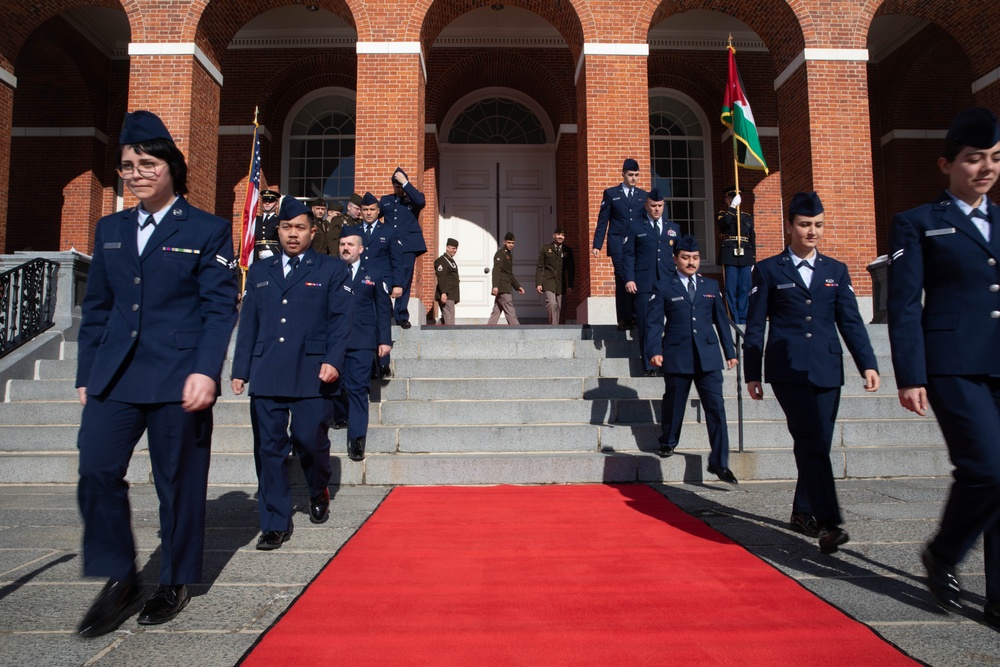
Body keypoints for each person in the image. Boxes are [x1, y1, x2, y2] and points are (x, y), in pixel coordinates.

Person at [74, 110, 239, 637]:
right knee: (97, 471)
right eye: (127, 166)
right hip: (115, 375)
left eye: (147, 162)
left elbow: (219, 309)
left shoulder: (208, 229)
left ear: (170, 166)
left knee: (179, 482)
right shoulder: (111, 228)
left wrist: (206, 370)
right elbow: (97, 306)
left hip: (178, 376)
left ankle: (175, 578)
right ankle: (120, 574)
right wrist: (85, 372)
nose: (136, 173)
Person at [886, 106, 1000, 626]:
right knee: (985, 469)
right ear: (946, 163)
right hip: (953, 363)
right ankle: (943, 553)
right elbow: (906, 304)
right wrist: (910, 374)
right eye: (974, 159)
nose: (985, 168)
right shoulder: (918, 223)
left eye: (994, 158)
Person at [743, 191, 879, 554]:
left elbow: (850, 321)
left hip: (827, 367)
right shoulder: (769, 269)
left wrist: (867, 362)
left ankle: (803, 511)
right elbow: (755, 324)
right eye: (805, 225)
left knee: (819, 442)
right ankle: (828, 522)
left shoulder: (836, 270)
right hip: (787, 368)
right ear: (789, 226)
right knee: (810, 438)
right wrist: (751, 373)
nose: (812, 232)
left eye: (818, 225)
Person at [230, 196, 352, 550]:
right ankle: (274, 521)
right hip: (267, 370)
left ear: (312, 232)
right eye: (286, 228)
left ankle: (318, 488)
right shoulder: (261, 271)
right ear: (277, 230)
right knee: (268, 449)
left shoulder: (331, 269)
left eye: (299, 227)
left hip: (312, 372)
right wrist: (240, 369)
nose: (292, 234)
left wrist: (333, 360)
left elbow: (340, 321)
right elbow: (249, 321)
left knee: (310, 442)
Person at [645, 235, 738, 483]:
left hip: (708, 357)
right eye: (686, 258)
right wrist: (654, 350)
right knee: (674, 403)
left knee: (716, 408)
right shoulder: (664, 286)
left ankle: (719, 461)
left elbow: (722, 321)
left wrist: (730, 352)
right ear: (675, 259)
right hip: (677, 355)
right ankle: (668, 441)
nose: (691, 262)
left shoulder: (710, 287)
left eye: (695, 258)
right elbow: (654, 323)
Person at [337, 229, 393, 461]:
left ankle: (357, 439)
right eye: (342, 244)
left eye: (350, 244)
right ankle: (341, 415)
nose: (345, 248)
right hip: (334, 340)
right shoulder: (330, 271)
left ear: (360, 249)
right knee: (335, 386)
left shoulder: (374, 273)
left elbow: (382, 308)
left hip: (362, 340)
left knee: (358, 389)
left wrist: (384, 340)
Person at [343, 192, 403, 379]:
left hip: (382, 283)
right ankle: (368, 363)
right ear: (360, 212)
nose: (368, 213)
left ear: (378, 211)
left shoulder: (388, 232)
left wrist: (397, 284)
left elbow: (397, 260)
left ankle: (383, 363)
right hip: (360, 282)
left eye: (372, 210)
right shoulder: (355, 231)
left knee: (381, 320)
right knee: (364, 321)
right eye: (365, 210)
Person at [622, 188, 679, 376]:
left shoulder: (673, 228)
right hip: (645, 283)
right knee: (647, 324)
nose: (657, 209)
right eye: (653, 206)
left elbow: (681, 256)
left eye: (660, 206)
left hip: (669, 282)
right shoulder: (636, 227)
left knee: (672, 324)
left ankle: (669, 362)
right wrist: (629, 278)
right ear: (646, 206)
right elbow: (628, 255)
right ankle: (650, 366)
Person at [593, 159, 648, 330]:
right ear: (623, 174)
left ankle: (635, 316)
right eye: (630, 175)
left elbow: (646, 221)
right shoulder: (611, 193)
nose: (634, 178)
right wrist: (597, 244)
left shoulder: (643, 196)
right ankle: (624, 318)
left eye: (636, 175)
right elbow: (603, 220)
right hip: (618, 242)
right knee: (622, 276)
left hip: (636, 244)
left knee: (636, 276)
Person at [380, 167, 427, 328]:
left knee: (405, 281)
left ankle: (401, 315)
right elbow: (372, 214)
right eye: (396, 186)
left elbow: (420, 202)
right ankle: (387, 310)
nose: (398, 189)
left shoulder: (413, 199)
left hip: (408, 246)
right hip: (388, 246)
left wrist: (406, 183)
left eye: (400, 186)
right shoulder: (386, 200)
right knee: (384, 277)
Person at [716, 185, 756, 324]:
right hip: (729, 254)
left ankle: (743, 319)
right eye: (731, 197)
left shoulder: (747, 217)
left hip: (745, 254)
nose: (734, 199)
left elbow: (752, 238)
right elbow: (723, 224)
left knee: (745, 288)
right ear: (727, 199)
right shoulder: (723, 214)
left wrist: (753, 260)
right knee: (730, 289)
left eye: (736, 197)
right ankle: (733, 319)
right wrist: (732, 207)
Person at [535, 227, 575, 325]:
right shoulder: (546, 249)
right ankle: (553, 327)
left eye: (562, 235)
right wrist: (538, 283)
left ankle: (561, 328)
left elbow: (571, 269)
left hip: (561, 282)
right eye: (558, 235)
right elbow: (540, 267)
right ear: (554, 236)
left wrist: (570, 285)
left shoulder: (568, 251)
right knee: (552, 304)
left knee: (561, 306)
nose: (560, 237)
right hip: (548, 280)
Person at [488, 232, 525, 325]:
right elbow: (496, 270)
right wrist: (495, 286)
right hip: (502, 287)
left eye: (512, 243)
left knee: (496, 311)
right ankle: (518, 332)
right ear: (504, 242)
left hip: (505, 286)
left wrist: (517, 287)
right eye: (509, 242)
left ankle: (488, 330)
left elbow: (509, 274)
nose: (511, 245)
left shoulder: (509, 255)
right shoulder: (500, 254)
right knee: (510, 311)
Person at [434, 238, 460, 325]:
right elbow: (442, 277)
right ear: (447, 247)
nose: (455, 251)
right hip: (446, 293)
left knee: (445, 318)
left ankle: (432, 334)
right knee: (449, 318)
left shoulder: (450, 261)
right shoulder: (442, 261)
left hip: (451, 294)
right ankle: (451, 337)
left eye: (456, 248)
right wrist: (444, 293)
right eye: (453, 248)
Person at [254, 188, 281, 261]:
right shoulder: (255, 220)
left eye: (271, 201)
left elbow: (285, 240)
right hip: (255, 255)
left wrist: (273, 251)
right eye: (265, 200)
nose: (267, 203)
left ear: (277, 204)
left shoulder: (280, 220)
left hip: (273, 256)